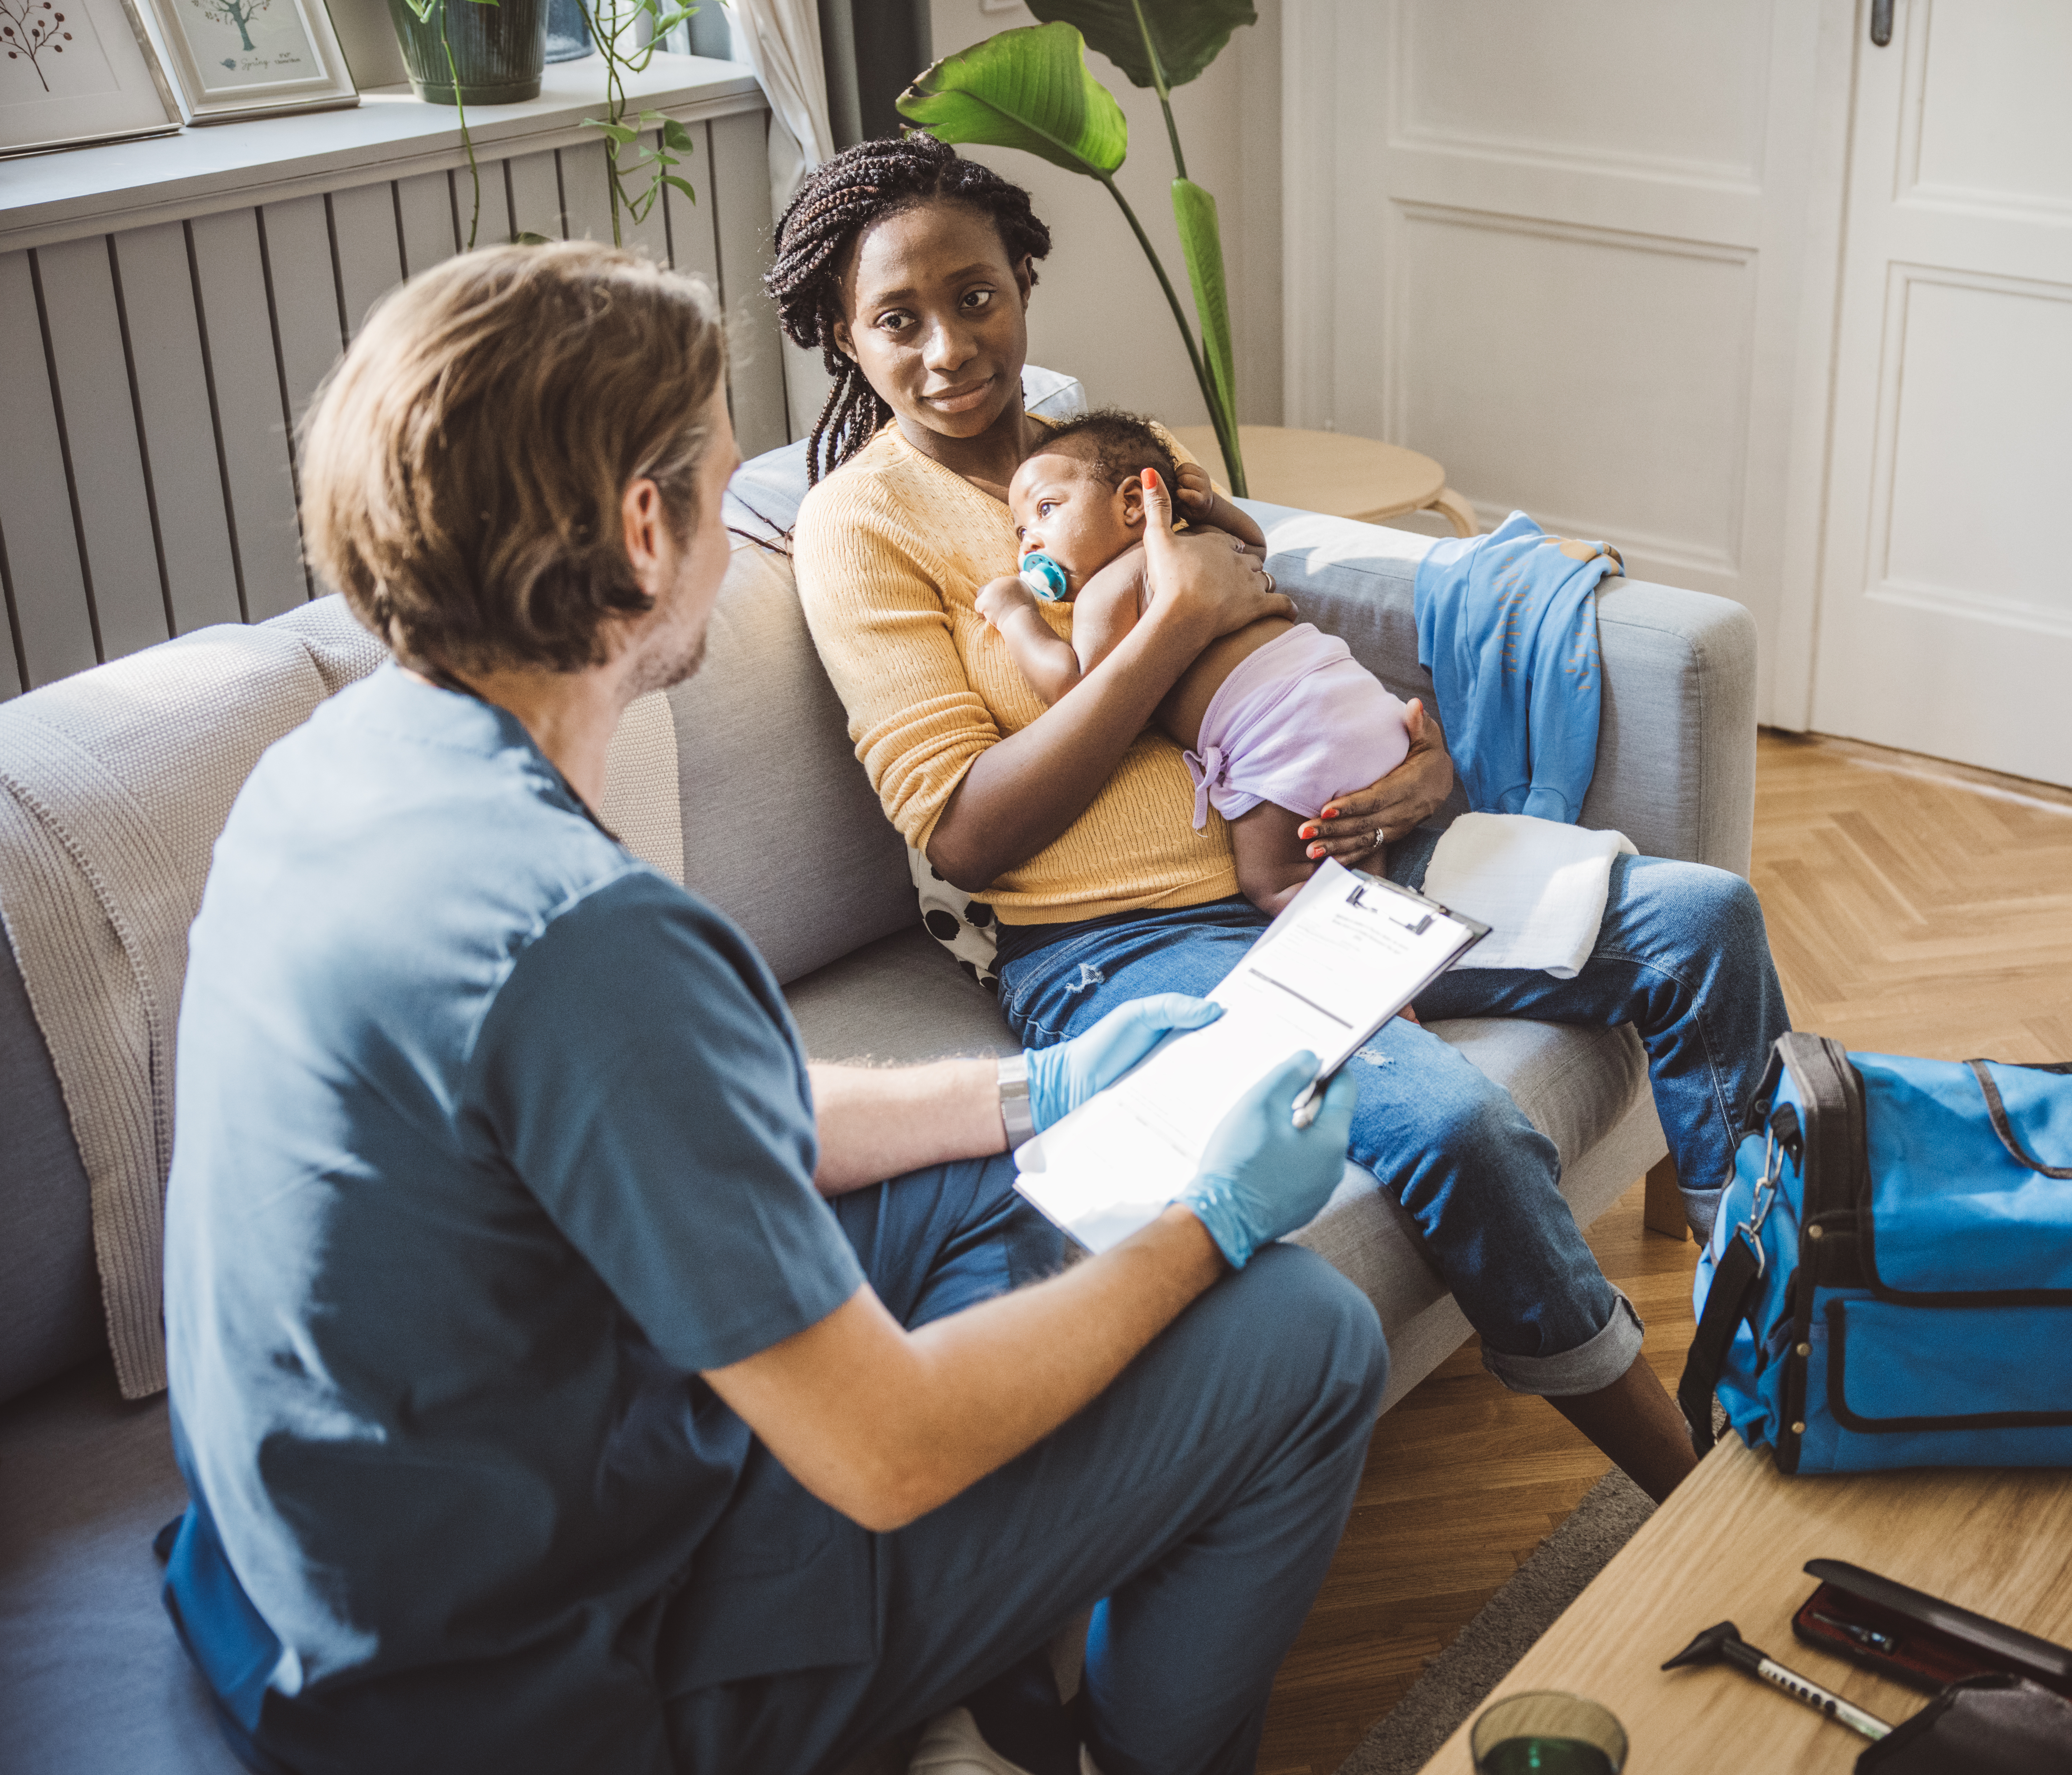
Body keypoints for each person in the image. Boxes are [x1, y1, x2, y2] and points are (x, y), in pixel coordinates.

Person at [160, 241, 1385, 1775]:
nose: (748, 545)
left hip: (338, 1574)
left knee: (981, 1183)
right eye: (729, 490)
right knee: (1301, 1333)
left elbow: (670, 1123)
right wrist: (1205, 1220)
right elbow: (887, 1450)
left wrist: (1040, 1087)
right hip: (523, 1689)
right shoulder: (582, 940)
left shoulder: (333, 772)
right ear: (642, 529)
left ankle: (979, 1659)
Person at [778, 135, 1793, 1505]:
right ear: (843, 339)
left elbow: (1263, 644)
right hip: (1125, 944)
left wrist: (1412, 766)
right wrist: (1170, 619)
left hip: (1338, 849)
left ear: (1022, 282)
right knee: (1450, 1122)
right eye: (896, 320)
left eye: (976, 296)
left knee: (1702, 920)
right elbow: (962, 830)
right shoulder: (857, 525)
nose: (950, 347)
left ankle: (1763, 1319)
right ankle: (1688, 1491)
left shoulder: (1095, 449)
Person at [974, 408, 1414, 909]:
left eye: (1046, 510)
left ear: (1134, 503)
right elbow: (1254, 545)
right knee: (1353, 864)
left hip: (1285, 737)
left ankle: (1358, 943)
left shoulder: (1109, 589)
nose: (1029, 539)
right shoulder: (1204, 544)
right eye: (1020, 532)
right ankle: (1388, 911)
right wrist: (1211, 510)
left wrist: (1015, 616)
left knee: (1274, 883)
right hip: (1358, 698)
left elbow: (1074, 692)